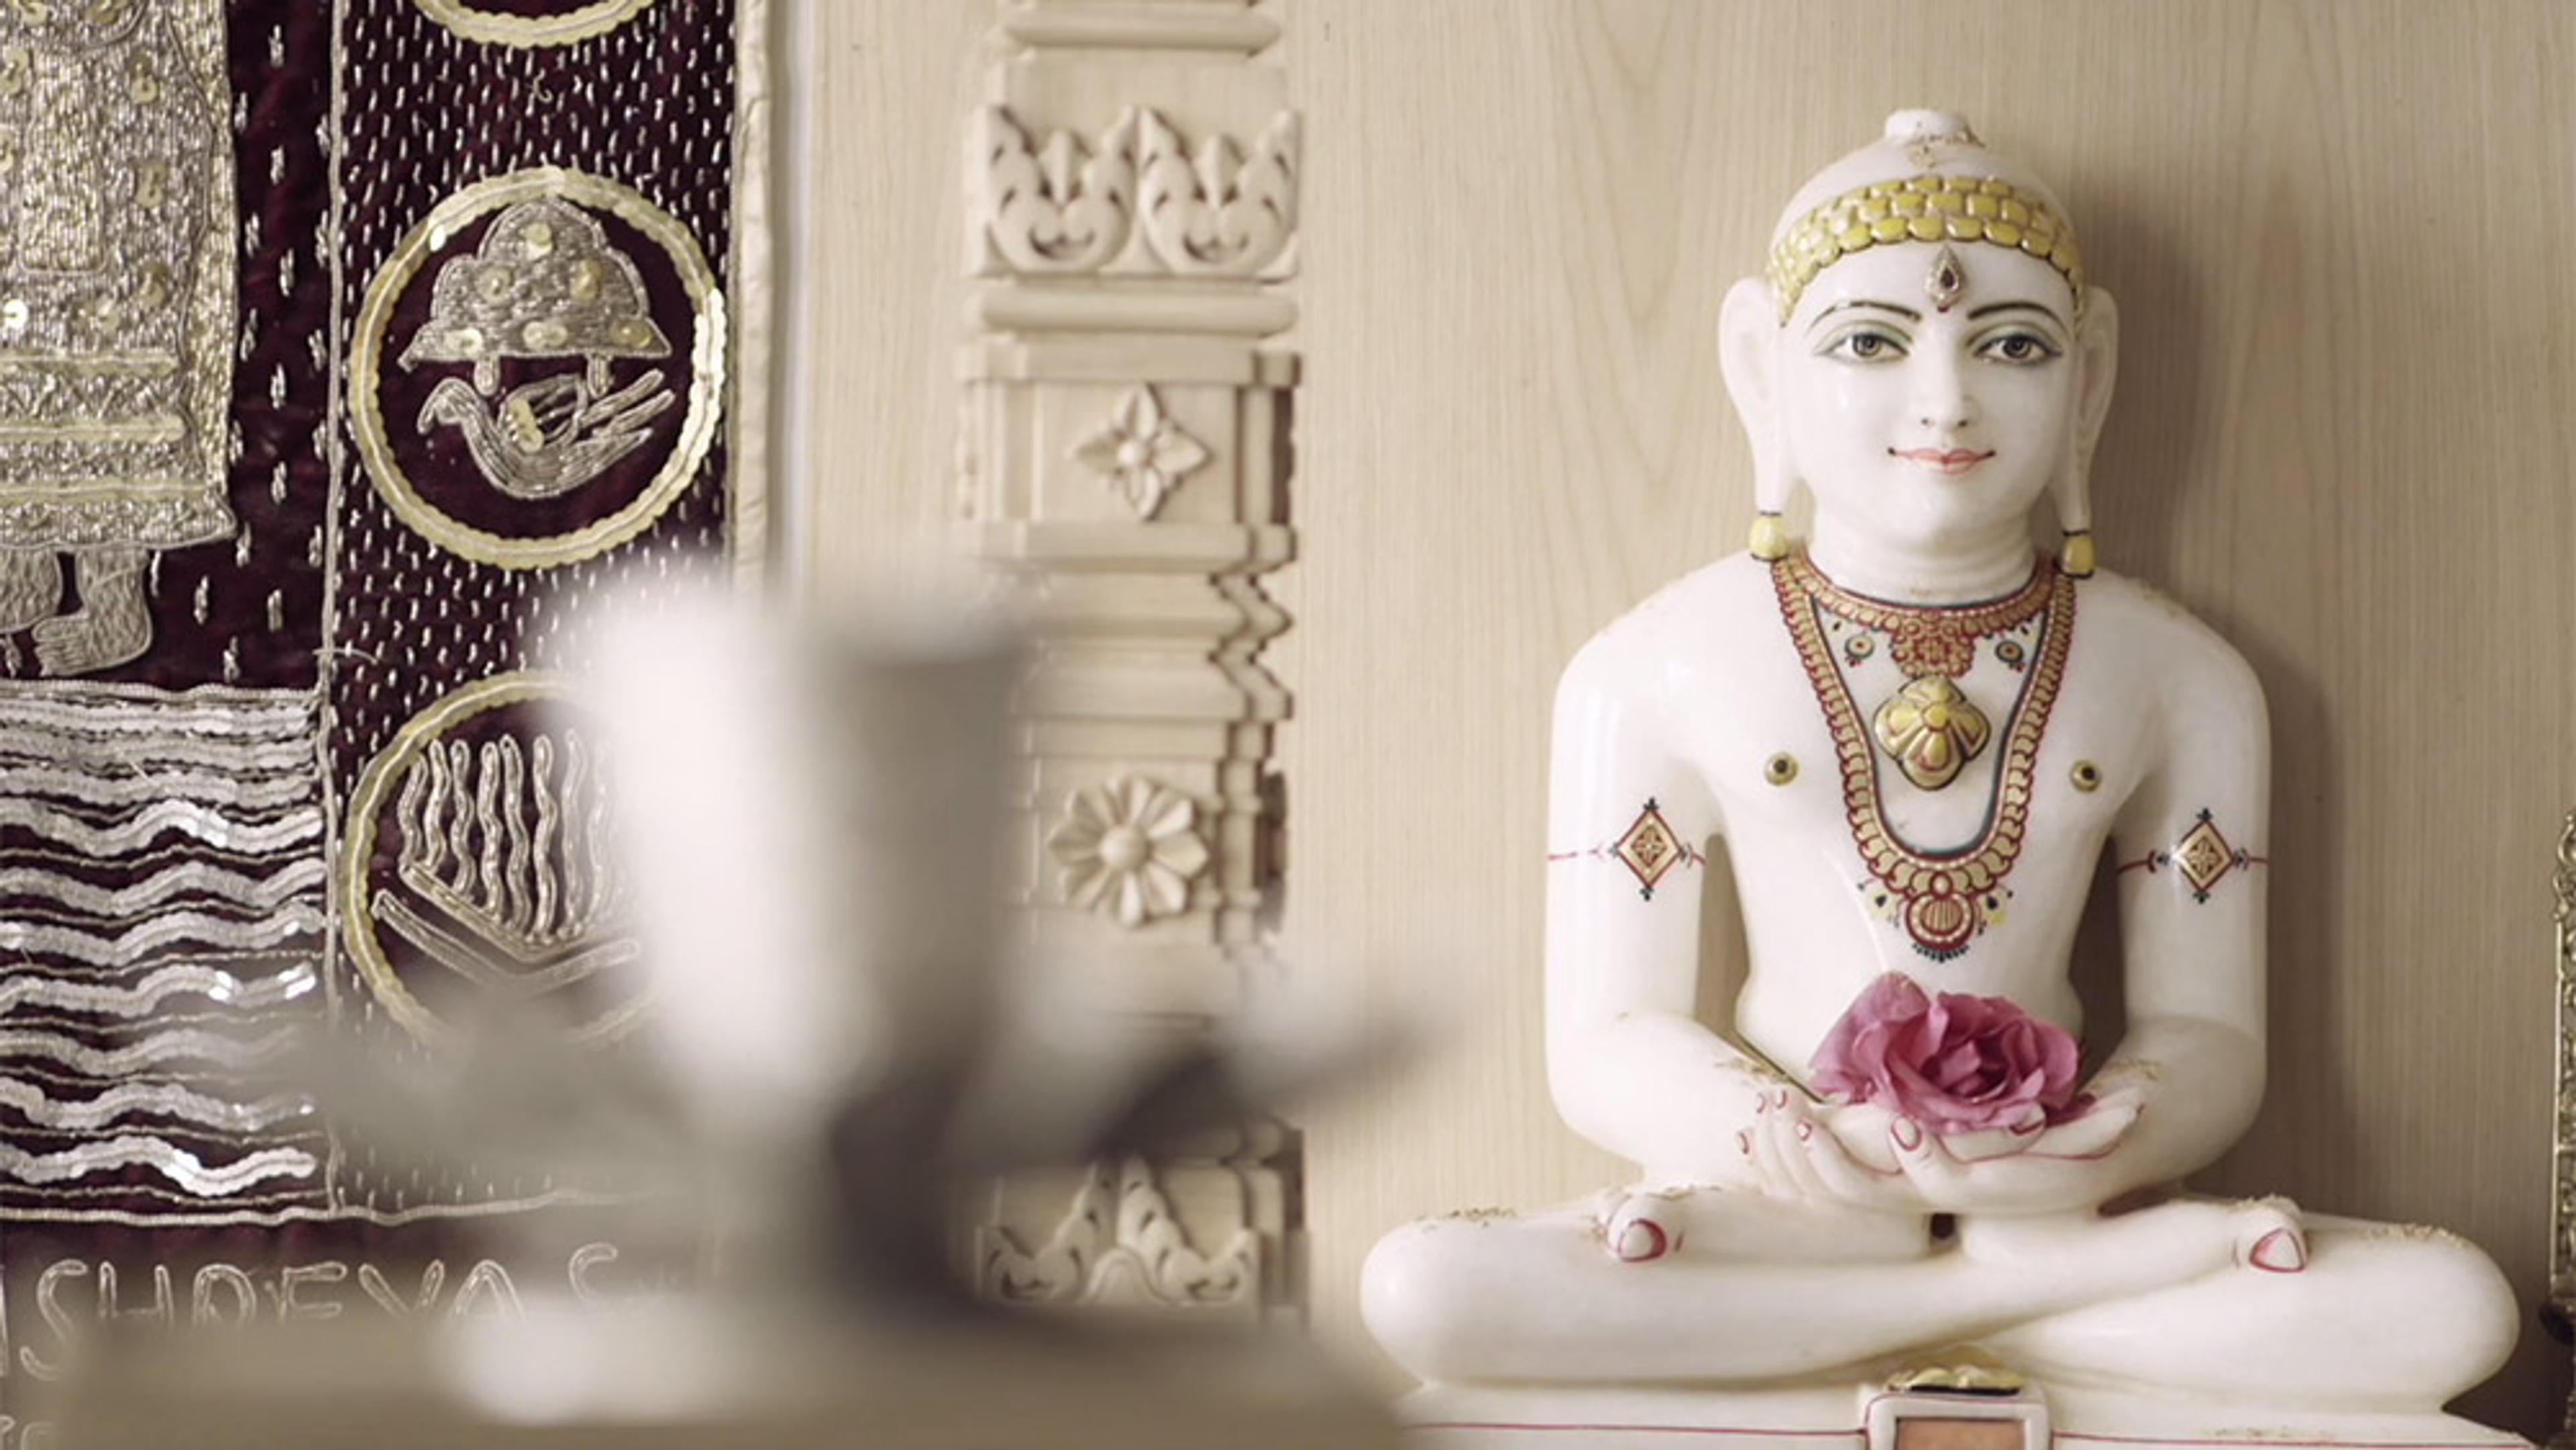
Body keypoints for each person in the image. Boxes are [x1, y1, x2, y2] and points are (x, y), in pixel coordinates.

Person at [1360, 111, 2518, 1445]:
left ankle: (1924, 1321)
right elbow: (1606, 1037)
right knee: (1429, 1290)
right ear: (1762, 368)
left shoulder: (2180, 675)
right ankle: (2011, 1312)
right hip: (1781, 1219)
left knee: (2452, 1306)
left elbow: (2213, 1039)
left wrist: (2115, 1131)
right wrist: (1774, 1133)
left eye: (2011, 343)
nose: (1945, 396)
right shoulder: (1653, 666)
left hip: (2054, 1215)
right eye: (1870, 340)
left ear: (2088, 378)